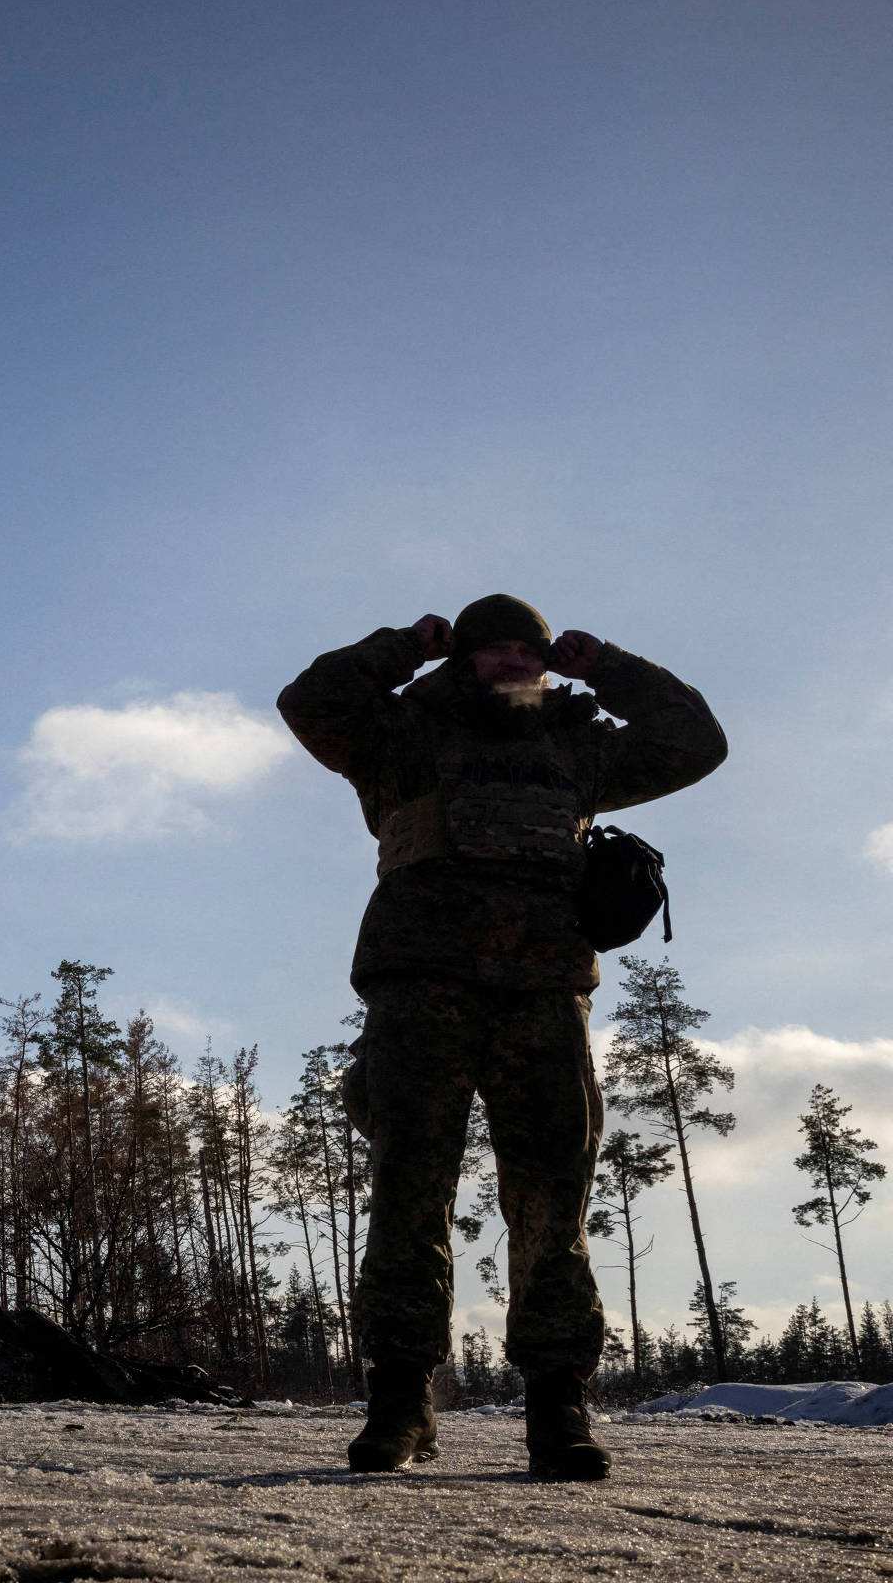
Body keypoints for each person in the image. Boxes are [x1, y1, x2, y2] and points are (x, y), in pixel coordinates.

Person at [278, 594, 726, 1479]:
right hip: (421, 989)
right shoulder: (400, 735)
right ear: (465, 660)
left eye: (531, 650)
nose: (516, 663)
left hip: (544, 994)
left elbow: (694, 740)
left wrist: (609, 666)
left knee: (552, 1200)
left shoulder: (580, 741)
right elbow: (310, 700)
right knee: (410, 1190)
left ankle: (558, 1408)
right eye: (497, 651)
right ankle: (402, 1403)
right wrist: (403, 645)